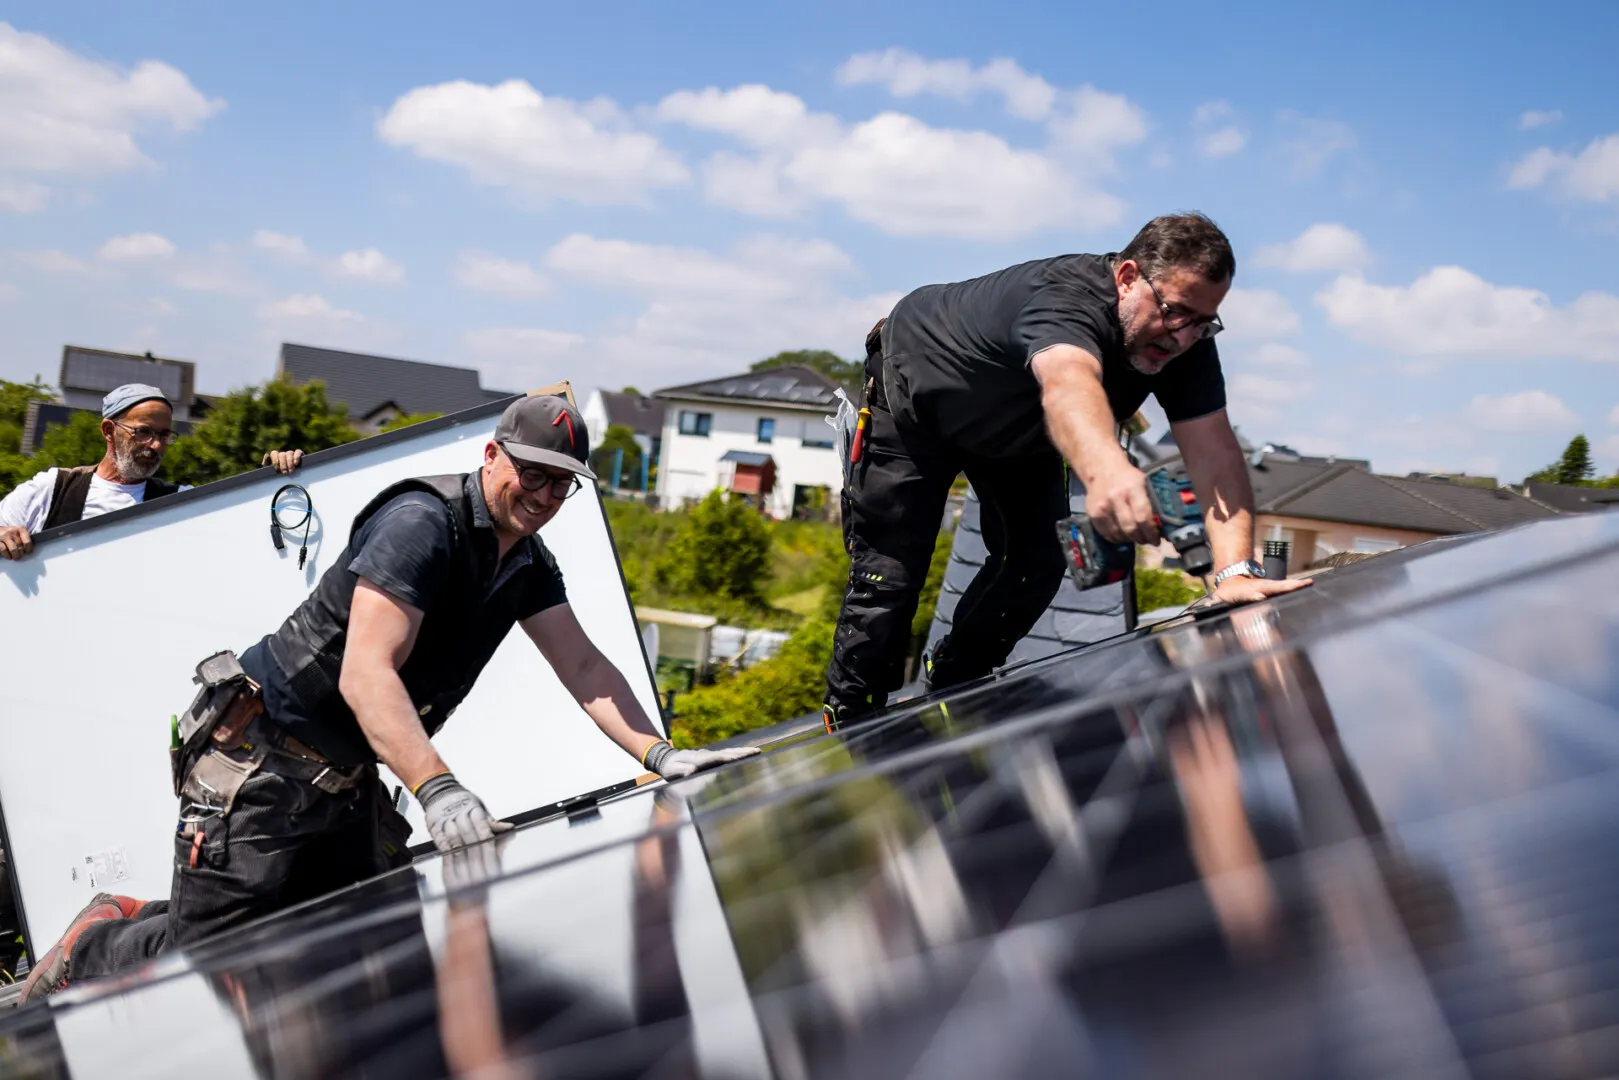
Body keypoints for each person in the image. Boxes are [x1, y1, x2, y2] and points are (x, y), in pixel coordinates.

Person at [21, 394, 755, 1004]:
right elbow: (366, 673)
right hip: (262, 761)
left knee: (370, 935)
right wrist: (438, 789)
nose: (543, 494)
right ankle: (97, 941)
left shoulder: (528, 561)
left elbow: (585, 665)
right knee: (204, 957)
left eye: (562, 483)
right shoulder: (421, 525)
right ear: (492, 456)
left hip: (342, 776)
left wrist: (659, 754)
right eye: (532, 473)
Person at [823, 212, 1310, 729]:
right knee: (890, 576)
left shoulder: (1184, 343)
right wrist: (1106, 473)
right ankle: (853, 721)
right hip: (916, 399)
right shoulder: (1066, 301)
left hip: (1016, 429)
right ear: (1127, 278)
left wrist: (1233, 571)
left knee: (1036, 562)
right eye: (1175, 311)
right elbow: (1067, 383)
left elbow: (1213, 450)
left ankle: (955, 684)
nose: (1183, 336)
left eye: (1203, 322)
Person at [0, 383, 303, 559]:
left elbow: (243, 532)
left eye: (164, 435)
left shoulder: (178, 502)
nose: (156, 446)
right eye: (143, 432)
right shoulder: (55, 489)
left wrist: (272, 478)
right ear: (109, 430)